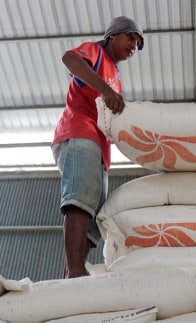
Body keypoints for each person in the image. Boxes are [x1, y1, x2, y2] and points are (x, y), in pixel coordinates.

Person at [51, 16, 144, 278]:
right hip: (80, 132)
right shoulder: (96, 52)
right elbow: (69, 59)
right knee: (80, 199)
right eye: (130, 38)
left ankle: (72, 273)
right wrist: (105, 90)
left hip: (101, 148)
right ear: (113, 35)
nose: (134, 46)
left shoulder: (116, 78)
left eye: (137, 43)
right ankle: (76, 272)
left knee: (95, 215)